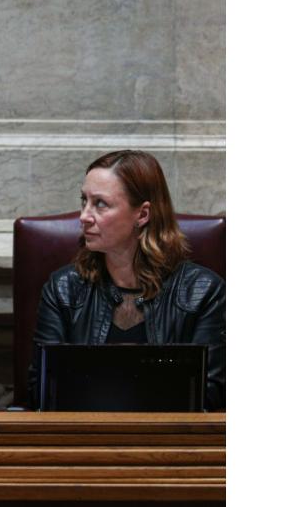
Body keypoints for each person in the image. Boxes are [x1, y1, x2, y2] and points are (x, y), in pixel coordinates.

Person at [29, 150, 225, 409]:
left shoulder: (202, 292)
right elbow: (41, 389)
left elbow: (210, 396)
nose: (84, 216)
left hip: (169, 442)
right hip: (84, 440)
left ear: (142, 215)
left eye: (100, 204)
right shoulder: (64, 289)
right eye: (84, 200)